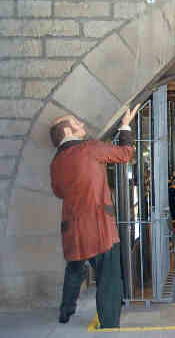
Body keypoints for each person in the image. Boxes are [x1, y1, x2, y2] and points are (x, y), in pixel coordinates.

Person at [49, 106, 139, 328]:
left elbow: (58, 192)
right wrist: (125, 125)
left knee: (74, 269)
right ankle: (109, 326)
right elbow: (125, 154)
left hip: (72, 229)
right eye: (76, 123)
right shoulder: (89, 149)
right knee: (108, 278)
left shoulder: (55, 163)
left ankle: (65, 312)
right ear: (67, 132)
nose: (82, 124)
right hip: (99, 228)